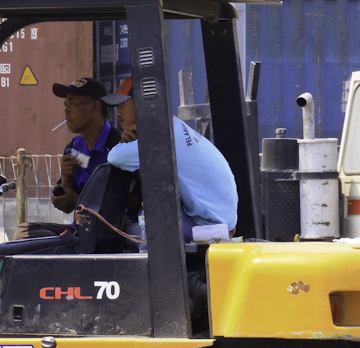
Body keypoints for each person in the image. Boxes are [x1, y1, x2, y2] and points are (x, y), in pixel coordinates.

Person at [103, 77, 238, 237]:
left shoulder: (160, 135)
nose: (118, 113)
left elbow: (115, 157)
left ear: (141, 105)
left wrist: (123, 142)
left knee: (134, 233)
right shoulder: (170, 125)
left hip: (211, 225)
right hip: (215, 218)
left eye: (122, 106)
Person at [16, 77, 123, 240]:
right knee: (24, 233)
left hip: (108, 233)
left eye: (72, 103)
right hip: (80, 230)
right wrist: (65, 181)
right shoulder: (73, 149)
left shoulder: (117, 147)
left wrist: (77, 201)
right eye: (65, 105)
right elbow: (65, 206)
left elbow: (119, 207)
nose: (66, 111)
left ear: (94, 106)